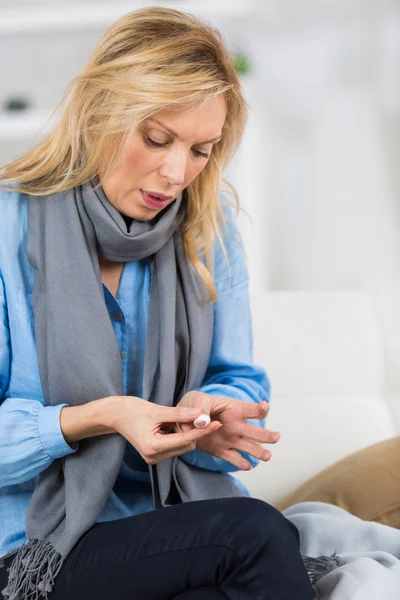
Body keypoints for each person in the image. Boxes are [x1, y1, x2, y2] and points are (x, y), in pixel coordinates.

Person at [0, 7, 314, 600]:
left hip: (167, 523)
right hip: (32, 546)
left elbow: (236, 378)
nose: (176, 172)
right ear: (100, 114)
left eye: (201, 149)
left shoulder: (208, 228)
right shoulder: (8, 225)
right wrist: (100, 416)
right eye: (156, 139)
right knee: (254, 537)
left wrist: (216, 417)